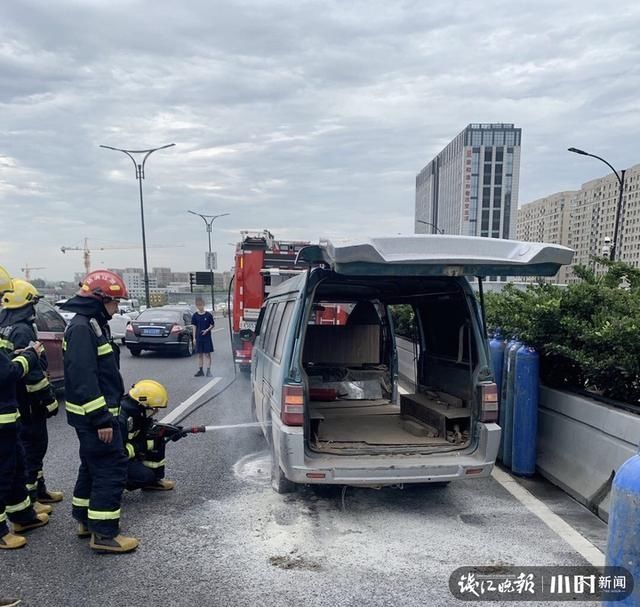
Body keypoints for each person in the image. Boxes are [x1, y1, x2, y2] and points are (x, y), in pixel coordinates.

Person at [59, 269, 138, 554]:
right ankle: (104, 534)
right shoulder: (83, 328)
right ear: (99, 299)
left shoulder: (91, 323)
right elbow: (83, 378)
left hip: (94, 415)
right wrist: (102, 419)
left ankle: (84, 519)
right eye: (114, 302)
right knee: (110, 467)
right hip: (96, 418)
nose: (117, 308)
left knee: (92, 465)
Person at [0, 280, 63, 512]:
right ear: (27, 304)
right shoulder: (23, 329)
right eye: (34, 303)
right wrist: (48, 400)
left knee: (29, 447)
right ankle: (32, 497)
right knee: (34, 445)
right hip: (28, 401)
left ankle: (39, 490)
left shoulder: (4, 324)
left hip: (13, 398)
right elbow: (33, 373)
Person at [0, 266, 49, 551]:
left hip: (9, 413)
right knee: (3, 472)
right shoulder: (20, 328)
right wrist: (28, 358)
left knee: (15, 465)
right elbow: (6, 373)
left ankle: (22, 515)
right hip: (7, 411)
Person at [119, 379, 175, 491]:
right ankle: (110, 484)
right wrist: (142, 446)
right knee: (145, 477)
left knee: (157, 435)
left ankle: (154, 481)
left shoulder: (137, 412)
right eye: (153, 408)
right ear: (142, 403)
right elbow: (118, 453)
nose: (155, 411)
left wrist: (171, 430)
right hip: (112, 460)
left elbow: (147, 428)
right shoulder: (121, 419)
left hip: (127, 453)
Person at [191, 297, 215, 377]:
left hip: (207, 337)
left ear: (203, 305)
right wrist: (194, 338)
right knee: (200, 354)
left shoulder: (208, 315)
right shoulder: (195, 316)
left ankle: (208, 370)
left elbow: (212, 325)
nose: (199, 307)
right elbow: (194, 327)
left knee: (207, 354)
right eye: (198, 305)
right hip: (199, 337)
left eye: (200, 305)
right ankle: (200, 370)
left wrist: (207, 330)